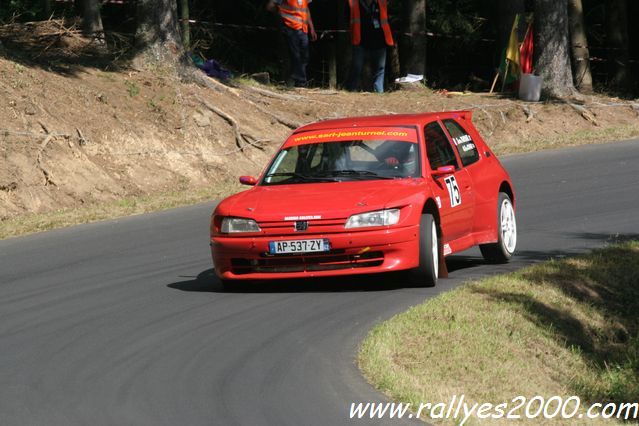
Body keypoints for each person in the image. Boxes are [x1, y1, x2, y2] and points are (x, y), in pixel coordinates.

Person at [345, 0, 394, 93]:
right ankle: (351, 90)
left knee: (380, 69)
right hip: (360, 39)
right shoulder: (352, 2)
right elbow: (347, 17)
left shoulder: (382, 1)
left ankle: (379, 92)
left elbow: (388, 16)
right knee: (356, 67)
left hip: (379, 38)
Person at [267, 0, 317, 87]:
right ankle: (301, 82)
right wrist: (282, 14)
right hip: (290, 28)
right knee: (295, 56)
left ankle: (297, 79)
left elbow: (306, 9)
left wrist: (311, 27)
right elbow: (270, 6)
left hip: (303, 29)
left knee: (305, 57)